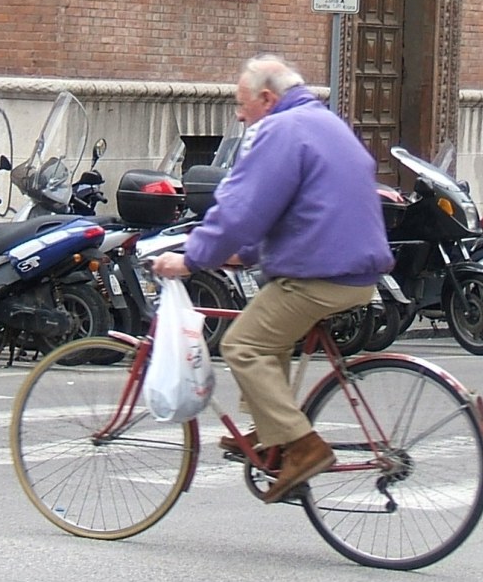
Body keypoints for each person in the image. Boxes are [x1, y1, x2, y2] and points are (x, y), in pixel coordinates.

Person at [152, 54, 394, 504]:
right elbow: (302, 205)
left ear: (267, 98)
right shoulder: (323, 121)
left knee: (243, 345)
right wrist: (248, 253)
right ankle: (270, 433)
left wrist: (192, 259)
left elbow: (243, 207)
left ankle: (301, 447)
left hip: (321, 272)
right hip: (352, 266)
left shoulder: (280, 131)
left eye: (243, 104)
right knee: (270, 333)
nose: (239, 115)